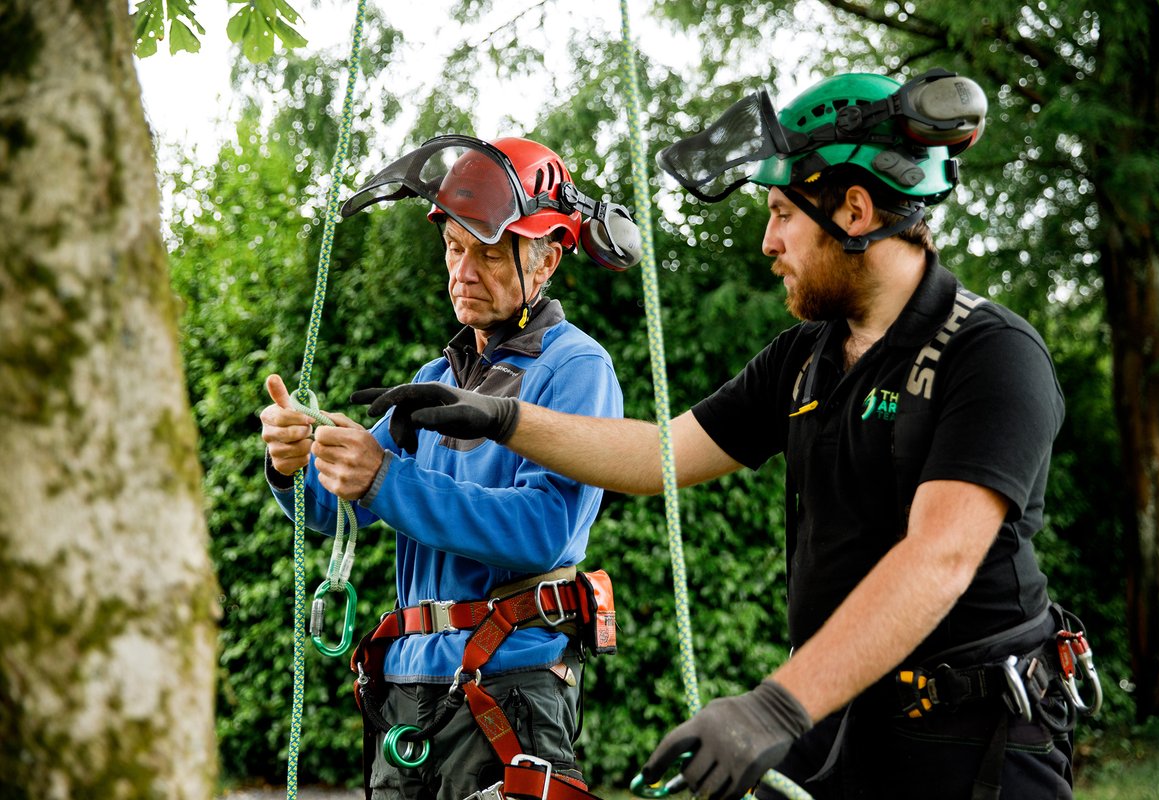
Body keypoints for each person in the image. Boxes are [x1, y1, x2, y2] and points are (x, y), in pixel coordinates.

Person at [370, 71, 1092, 799]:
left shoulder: (992, 352)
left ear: (855, 211)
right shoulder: (803, 358)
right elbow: (658, 455)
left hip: (978, 748)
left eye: (783, 213)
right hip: (841, 732)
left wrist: (775, 704)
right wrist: (505, 418)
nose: (767, 241)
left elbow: (940, 557)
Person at [259, 135, 634, 800]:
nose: (463, 270)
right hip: (408, 688)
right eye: (455, 249)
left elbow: (545, 528)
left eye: (487, 253)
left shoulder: (575, 368)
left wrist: (385, 477)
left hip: (508, 686)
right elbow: (340, 507)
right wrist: (294, 467)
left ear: (545, 258)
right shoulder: (436, 376)